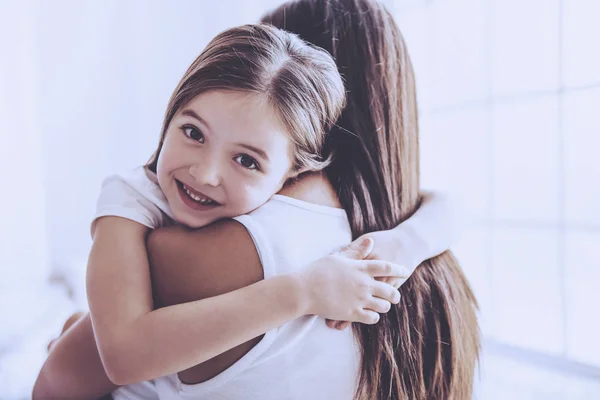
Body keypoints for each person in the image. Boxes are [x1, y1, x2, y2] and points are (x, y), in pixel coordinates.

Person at [33, 16, 458, 400]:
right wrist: (303, 291)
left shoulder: (284, 199)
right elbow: (120, 359)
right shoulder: (129, 201)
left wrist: (401, 245)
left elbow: (449, 202)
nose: (204, 173)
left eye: (247, 160)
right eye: (193, 131)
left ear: (295, 175)